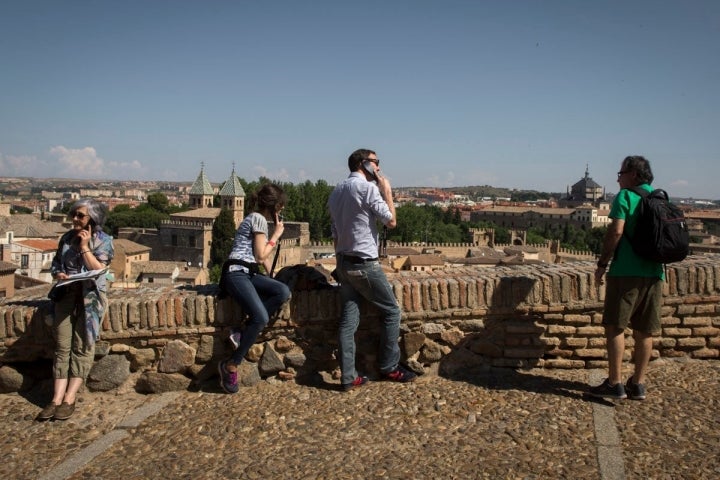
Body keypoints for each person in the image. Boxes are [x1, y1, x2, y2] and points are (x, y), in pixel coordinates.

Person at [327, 148, 417, 391]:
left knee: (348, 322)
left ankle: (348, 377)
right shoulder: (367, 188)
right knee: (391, 312)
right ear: (364, 164)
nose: (378, 167)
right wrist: (386, 191)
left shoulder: (336, 191)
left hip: (344, 262)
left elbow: (335, 233)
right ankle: (390, 367)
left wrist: (339, 264)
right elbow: (391, 221)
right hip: (364, 264)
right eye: (376, 163)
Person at [590, 155, 665, 401]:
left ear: (633, 174)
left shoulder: (626, 196)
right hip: (655, 273)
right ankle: (639, 384)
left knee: (615, 327)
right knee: (645, 331)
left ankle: (615, 383)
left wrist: (602, 263)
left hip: (626, 272)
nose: (618, 178)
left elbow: (616, 232)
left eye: (621, 173)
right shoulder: (660, 197)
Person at [37, 199, 114, 421]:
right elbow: (55, 264)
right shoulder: (66, 239)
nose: (75, 219)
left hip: (90, 300)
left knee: (83, 346)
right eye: (74, 215)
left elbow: (99, 269)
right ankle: (55, 399)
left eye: (81, 215)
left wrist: (84, 248)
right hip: (65, 297)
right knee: (62, 346)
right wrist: (59, 274)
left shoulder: (104, 241)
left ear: (93, 219)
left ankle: (69, 398)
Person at [217, 183, 291, 394]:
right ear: (275, 206)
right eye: (281, 206)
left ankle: (242, 332)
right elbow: (260, 255)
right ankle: (231, 364)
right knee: (260, 317)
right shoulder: (258, 218)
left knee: (282, 291)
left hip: (247, 272)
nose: (282, 210)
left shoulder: (255, 218)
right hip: (236, 273)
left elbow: (260, 259)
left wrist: (272, 278)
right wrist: (276, 235)